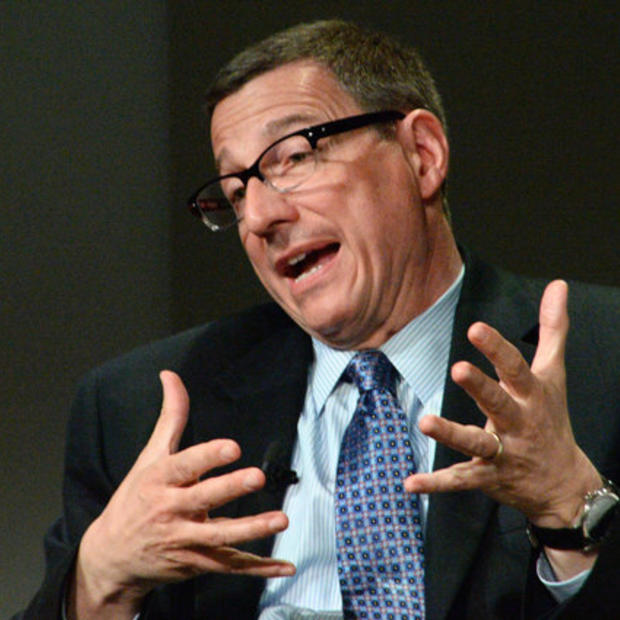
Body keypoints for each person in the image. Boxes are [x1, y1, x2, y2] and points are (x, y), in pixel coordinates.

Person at [15, 20, 619, 620]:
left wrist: (572, 509)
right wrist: (98, 582)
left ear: (422, 155)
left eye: (295, 157)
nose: (259, 217)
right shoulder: (142, 410)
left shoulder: (601, 358)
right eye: (234, 192)